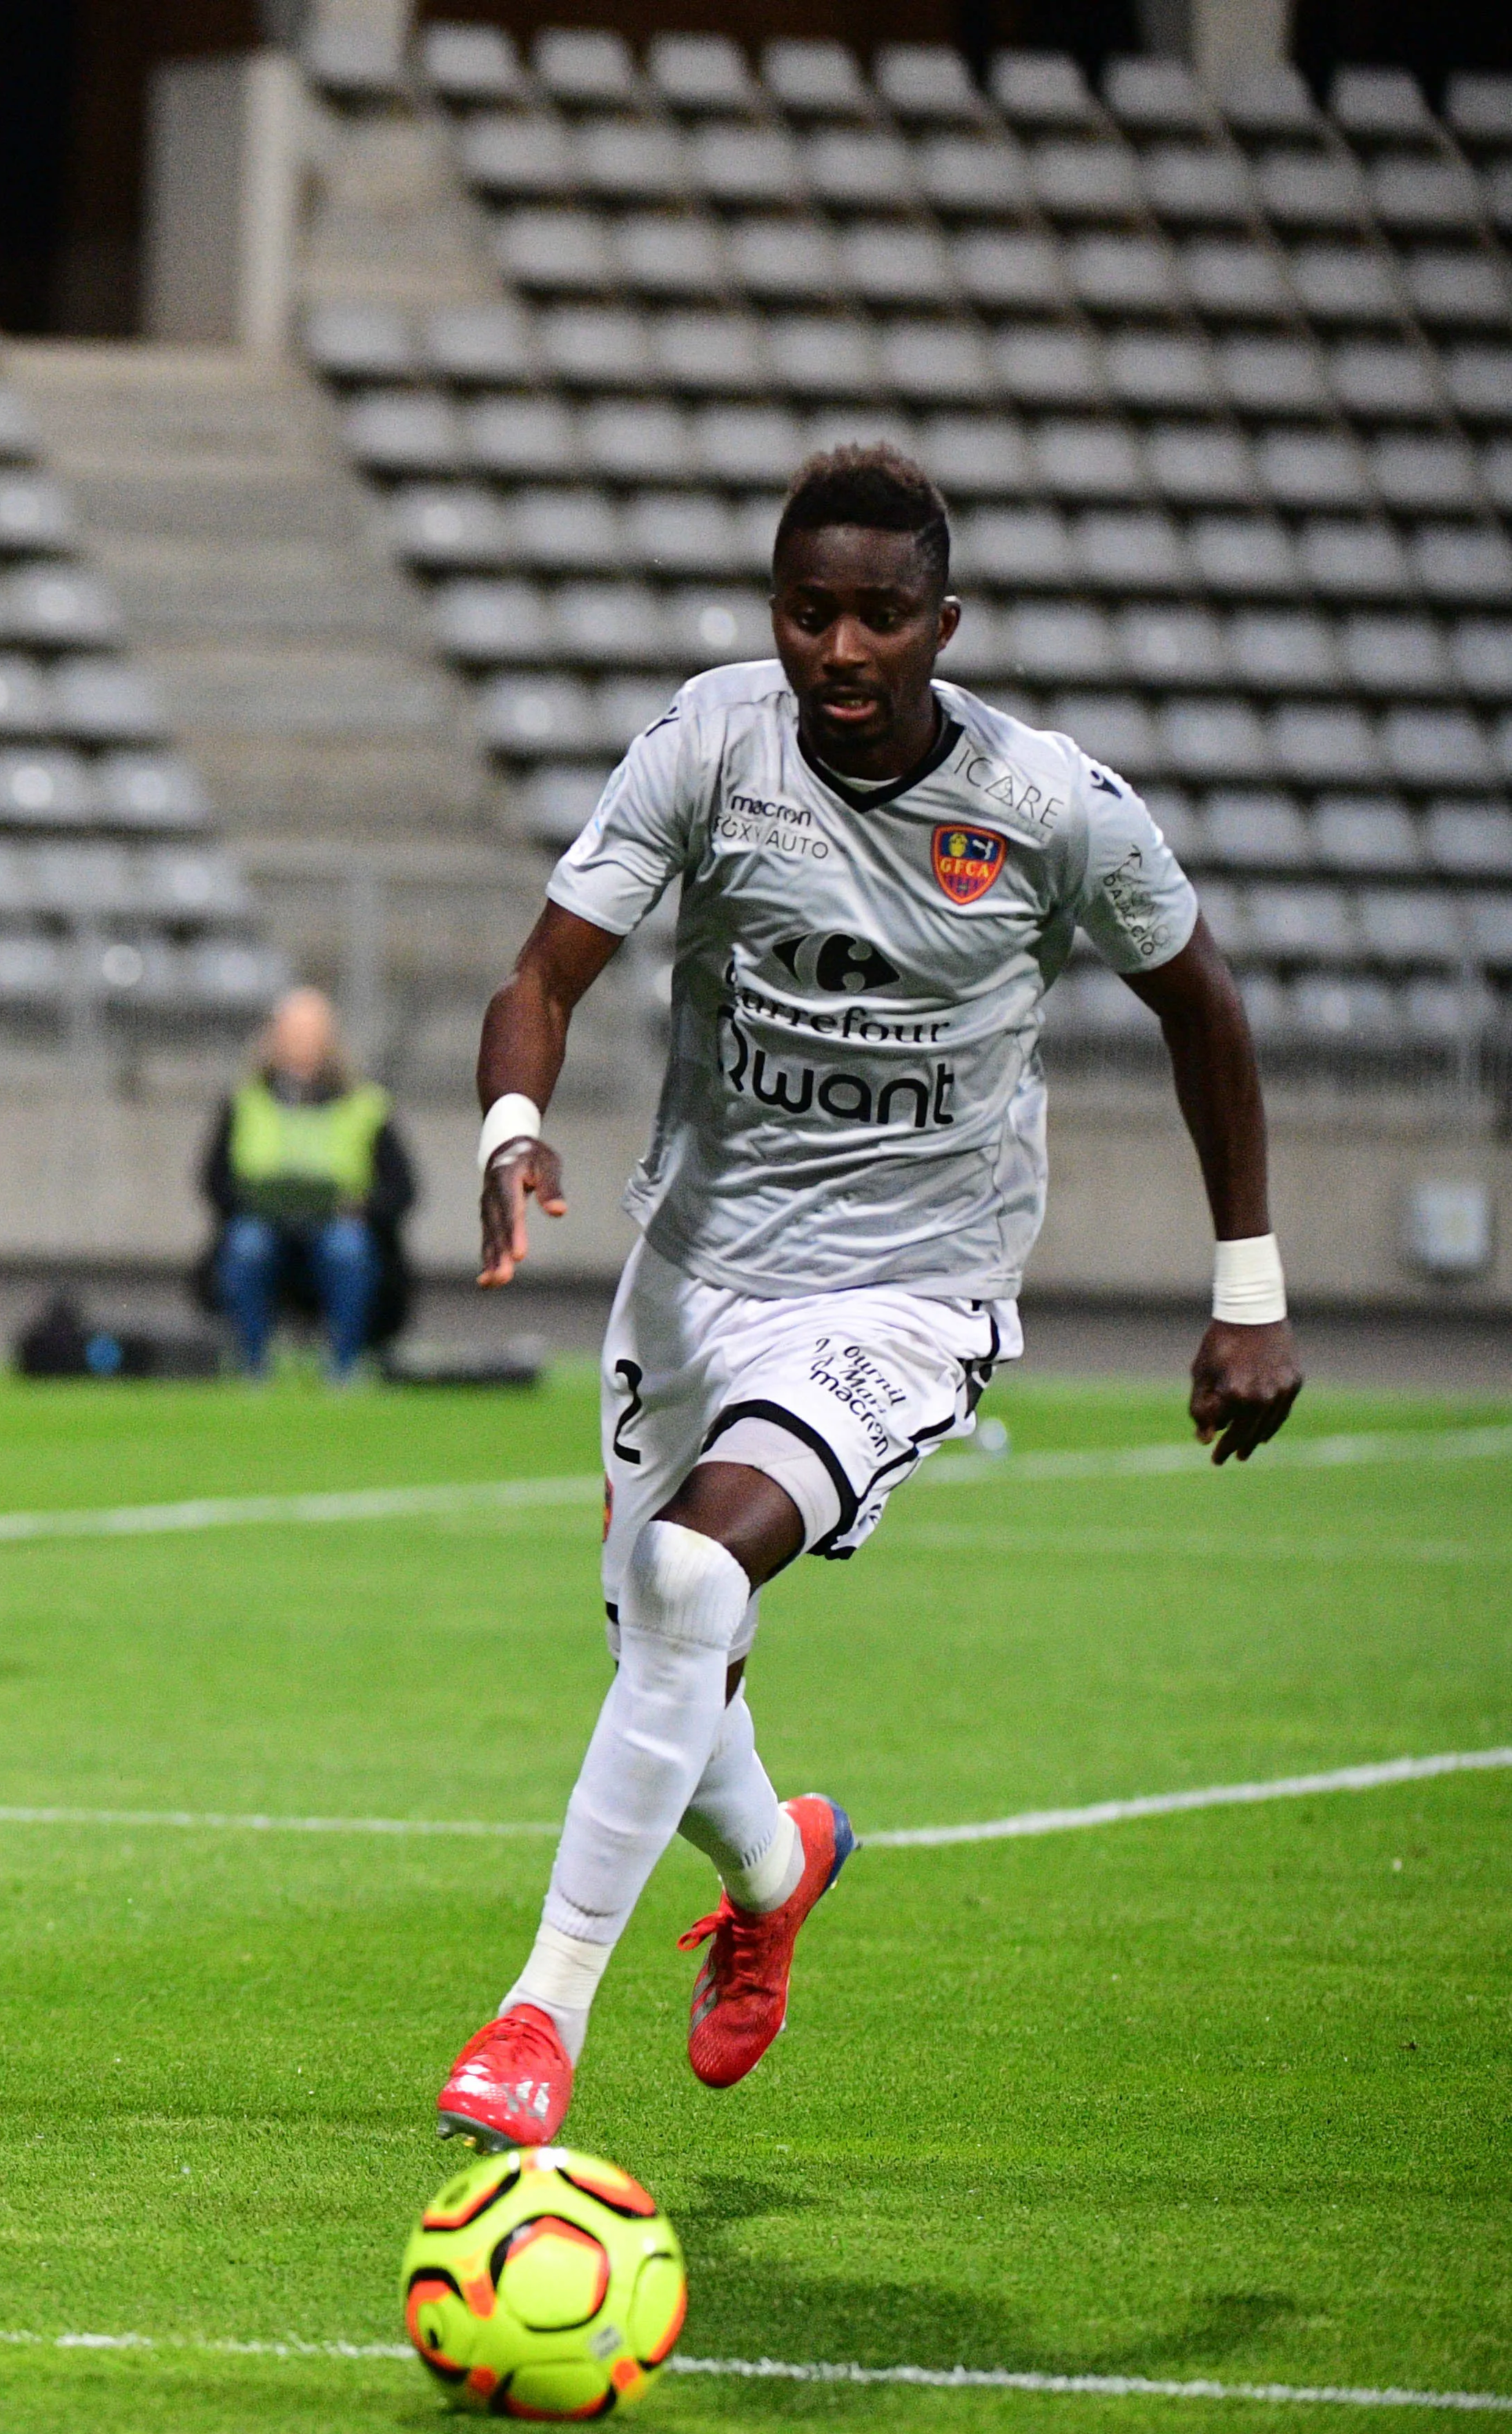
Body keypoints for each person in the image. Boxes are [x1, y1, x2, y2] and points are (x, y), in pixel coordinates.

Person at [434, 445, 1300, 2149]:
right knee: (665, 1656)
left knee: (689, 1574)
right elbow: (541, 973)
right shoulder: (705, 745)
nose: (837, 649)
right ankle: (776, 1866)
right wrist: (512, 1122)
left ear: (938, 625)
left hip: (905, 1289)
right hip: (689, 1272)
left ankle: (535, 2016)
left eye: (877, 618)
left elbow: (1199, 1007)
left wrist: (1246, 1289)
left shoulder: (1046, 806)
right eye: (806, 612)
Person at [200, 987, 411, 1381]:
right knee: (247, 1246)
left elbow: (402, 1189)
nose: (301, 1045)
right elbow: (214, 1181)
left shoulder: (366, 1103)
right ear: (272, 1038)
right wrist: (253, 1202)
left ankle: (343, 1367)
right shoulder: (244, 1101)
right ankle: (253, 1364)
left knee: (347, 1249)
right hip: (263, 1227)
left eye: (311, 1034)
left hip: (338, 1227)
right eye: (292, 1034)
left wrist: (359, 1207)